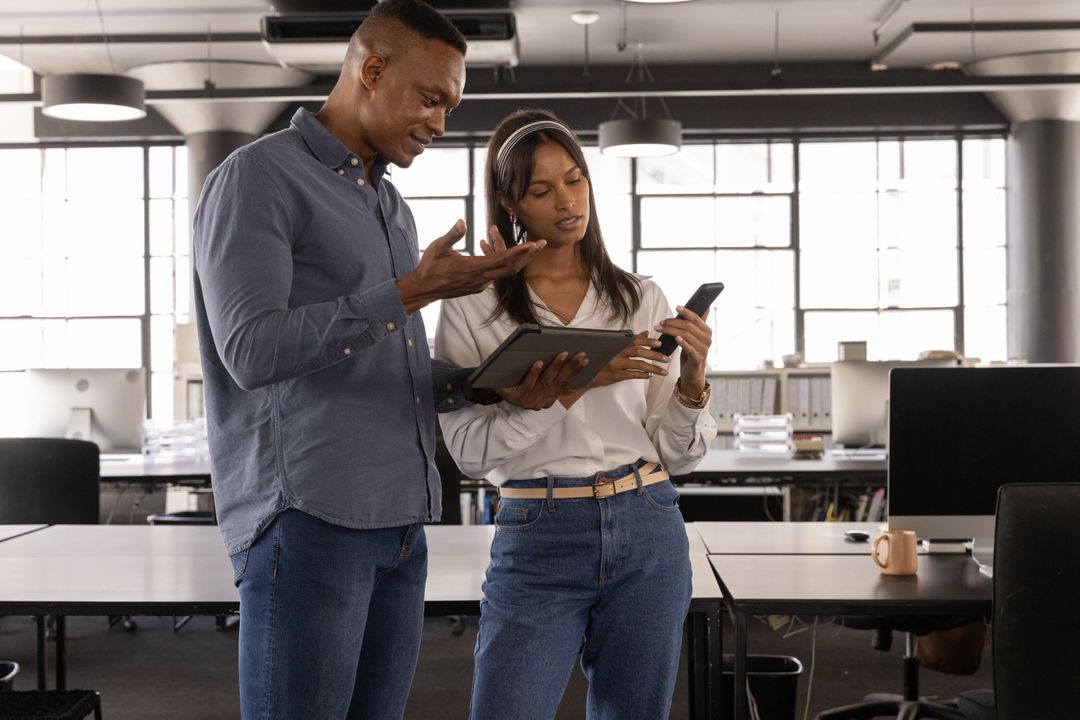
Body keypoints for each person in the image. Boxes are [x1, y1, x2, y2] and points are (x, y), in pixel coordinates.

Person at [191, 3, 585, 718]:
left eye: (450, 106)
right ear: (370, 71)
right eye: (431, 98)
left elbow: (383, 370)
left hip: (399, 524)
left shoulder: (389, 206)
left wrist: (490, 384)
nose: (440, 122)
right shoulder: (257, 180)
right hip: (308, 519)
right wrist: (408, 291)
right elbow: (249, 350)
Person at [435, 109, 720, 720]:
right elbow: (470, 454)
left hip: (646, 522)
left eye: (575, 180)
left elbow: (679, 457)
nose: (566, 201)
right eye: (542, 190)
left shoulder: (640, 297)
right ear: (511, 203)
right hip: (538, 529)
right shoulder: (475, 307)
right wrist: (575, 384)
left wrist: (692, 383)